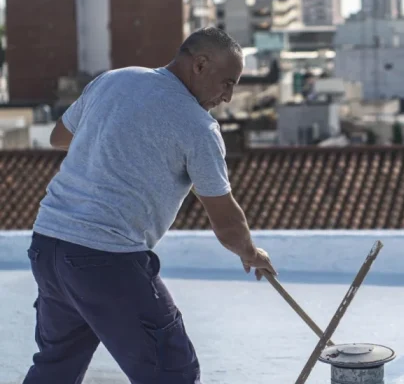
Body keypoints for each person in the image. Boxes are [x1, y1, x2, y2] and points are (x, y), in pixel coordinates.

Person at [24, 27, 277, 384]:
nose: (229, 96)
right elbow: (226, 220)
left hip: (48, 246)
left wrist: (111, 143)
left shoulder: (113, 81)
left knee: (56, 366)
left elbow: (58, 137)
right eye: (227, 83)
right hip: (106, 258)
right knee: (172, 372)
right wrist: (251, 253)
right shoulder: (198, 127)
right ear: (200, 64)